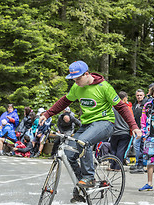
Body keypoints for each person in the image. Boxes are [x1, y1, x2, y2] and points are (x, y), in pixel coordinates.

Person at [39, 60, 141, 189]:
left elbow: (122, 107)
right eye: (73, 80)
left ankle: (89, 177)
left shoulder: (104, 87)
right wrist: (47, 114)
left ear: (86, 74)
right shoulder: (77, 87)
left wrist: (134, 126)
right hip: (87, 125)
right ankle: (81, 186)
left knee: (83, 142)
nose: (75, 83)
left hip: (105, 123)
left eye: (77, 79)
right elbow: (64, 101)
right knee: (69, 154)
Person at [109, 91, 133, 170]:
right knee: (121, 150)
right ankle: (118, 167)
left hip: (114, 132)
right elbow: (132, 120)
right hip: (124, 132)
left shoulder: (112, 108)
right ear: (125, 99)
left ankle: (112, 165)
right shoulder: (127, 108)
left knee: (113, 150)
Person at [130, 89, 147, 173]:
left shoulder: (146, 104)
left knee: (140, 146)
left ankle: (141, 164)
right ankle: (138, 163)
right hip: (136, 129)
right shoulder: (135, 104)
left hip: (144, 129)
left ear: (143, 95)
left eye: (140, 95)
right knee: (137, 146)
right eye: (137, 95)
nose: (139, 97)